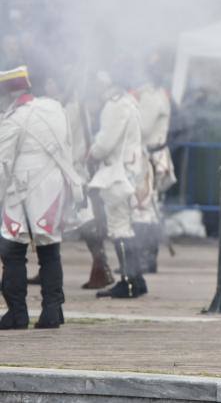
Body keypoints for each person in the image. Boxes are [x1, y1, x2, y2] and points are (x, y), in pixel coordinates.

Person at [0, 66, 82, 329]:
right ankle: (52, 311)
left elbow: (3, 164)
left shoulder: (13, 120)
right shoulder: (55, 108)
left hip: (22, 191)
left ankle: (17, 313)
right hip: (53, 189)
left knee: (12, 250)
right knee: (50, 250)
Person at [89, 70, 149, 299]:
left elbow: (105, 144)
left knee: (119, 228)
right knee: (126, 227)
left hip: (117, 172)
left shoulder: (114, 105)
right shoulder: (128, 102)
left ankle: (128, 281)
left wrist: (92, 153)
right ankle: (137, 279)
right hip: (128, 170)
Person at [131, 55, 176, 273]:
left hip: (149, 157)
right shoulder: (158, 94)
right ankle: (147, 258)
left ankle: (144, 259)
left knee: (144, 208)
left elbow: (143, 129)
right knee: (151, 206)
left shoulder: (150, 95)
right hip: (155, 156)